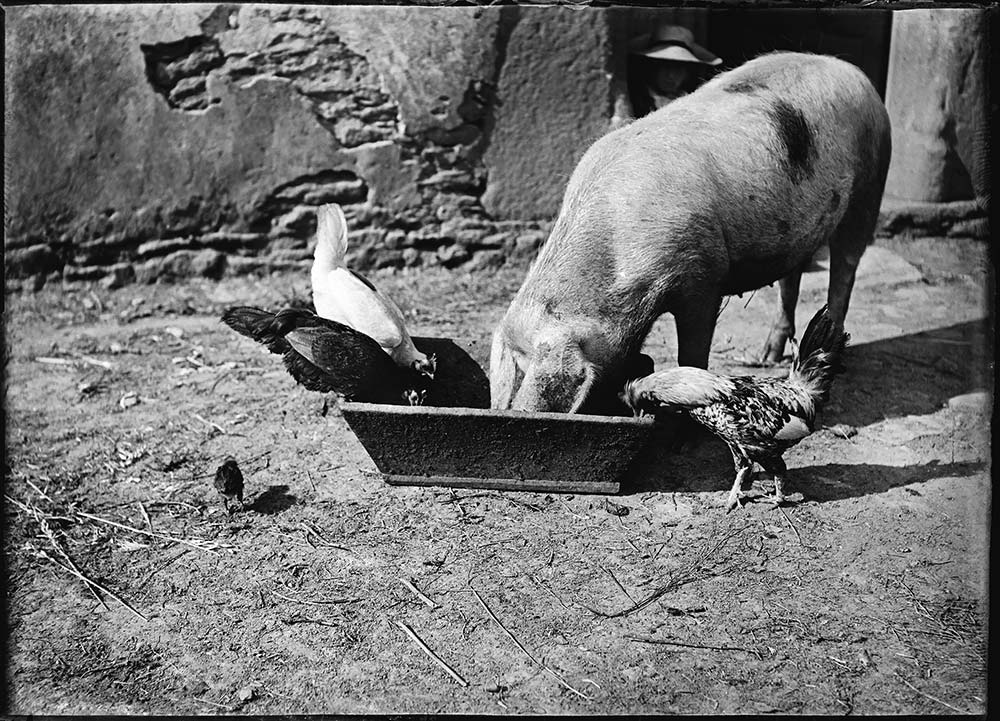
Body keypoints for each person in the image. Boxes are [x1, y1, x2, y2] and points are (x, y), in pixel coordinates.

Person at [626, 24, 722, 118]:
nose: (671, 76)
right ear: (652, 67)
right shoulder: (633, 100)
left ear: (688, 72)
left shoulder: (692, 102)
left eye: (678, 69)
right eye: (665, 67)